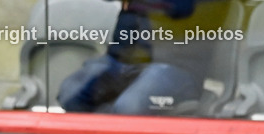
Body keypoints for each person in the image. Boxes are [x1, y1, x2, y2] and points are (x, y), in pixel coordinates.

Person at [57, 0, 235, 115]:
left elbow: (180, 8)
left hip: (173, 66)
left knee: (129, 107)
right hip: (121, 61)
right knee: (71, 95)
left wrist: (136, 3)